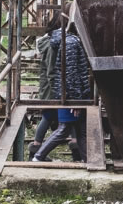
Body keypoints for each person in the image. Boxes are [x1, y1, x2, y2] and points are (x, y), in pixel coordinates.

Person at [30, 17, 92, 163]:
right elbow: (70, 73)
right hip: (68, 94)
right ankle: (38, 155)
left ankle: (86, 159)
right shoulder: (70, 42)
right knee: (63, 128)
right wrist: (75, 100)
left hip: (67, 93)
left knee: (79, 130)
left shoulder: (66, 40)